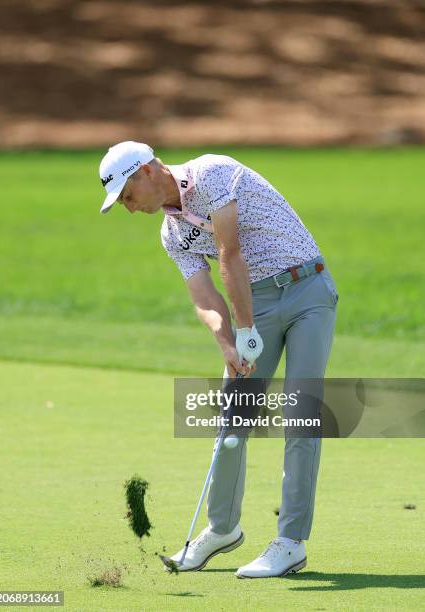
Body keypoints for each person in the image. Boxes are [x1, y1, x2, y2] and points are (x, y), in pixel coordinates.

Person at [98, 140, 339, 578]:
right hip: (256, 303)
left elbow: (230, 252)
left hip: (308, 290)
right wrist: (227, 342)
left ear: (148, 171)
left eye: (128, 196)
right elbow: (203, 294)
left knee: (301, 417)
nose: (129, 208)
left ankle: (290, 542)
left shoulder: (212, 173)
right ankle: (222, 528)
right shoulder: (172, 234)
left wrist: (245, 328)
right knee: (233, 421)